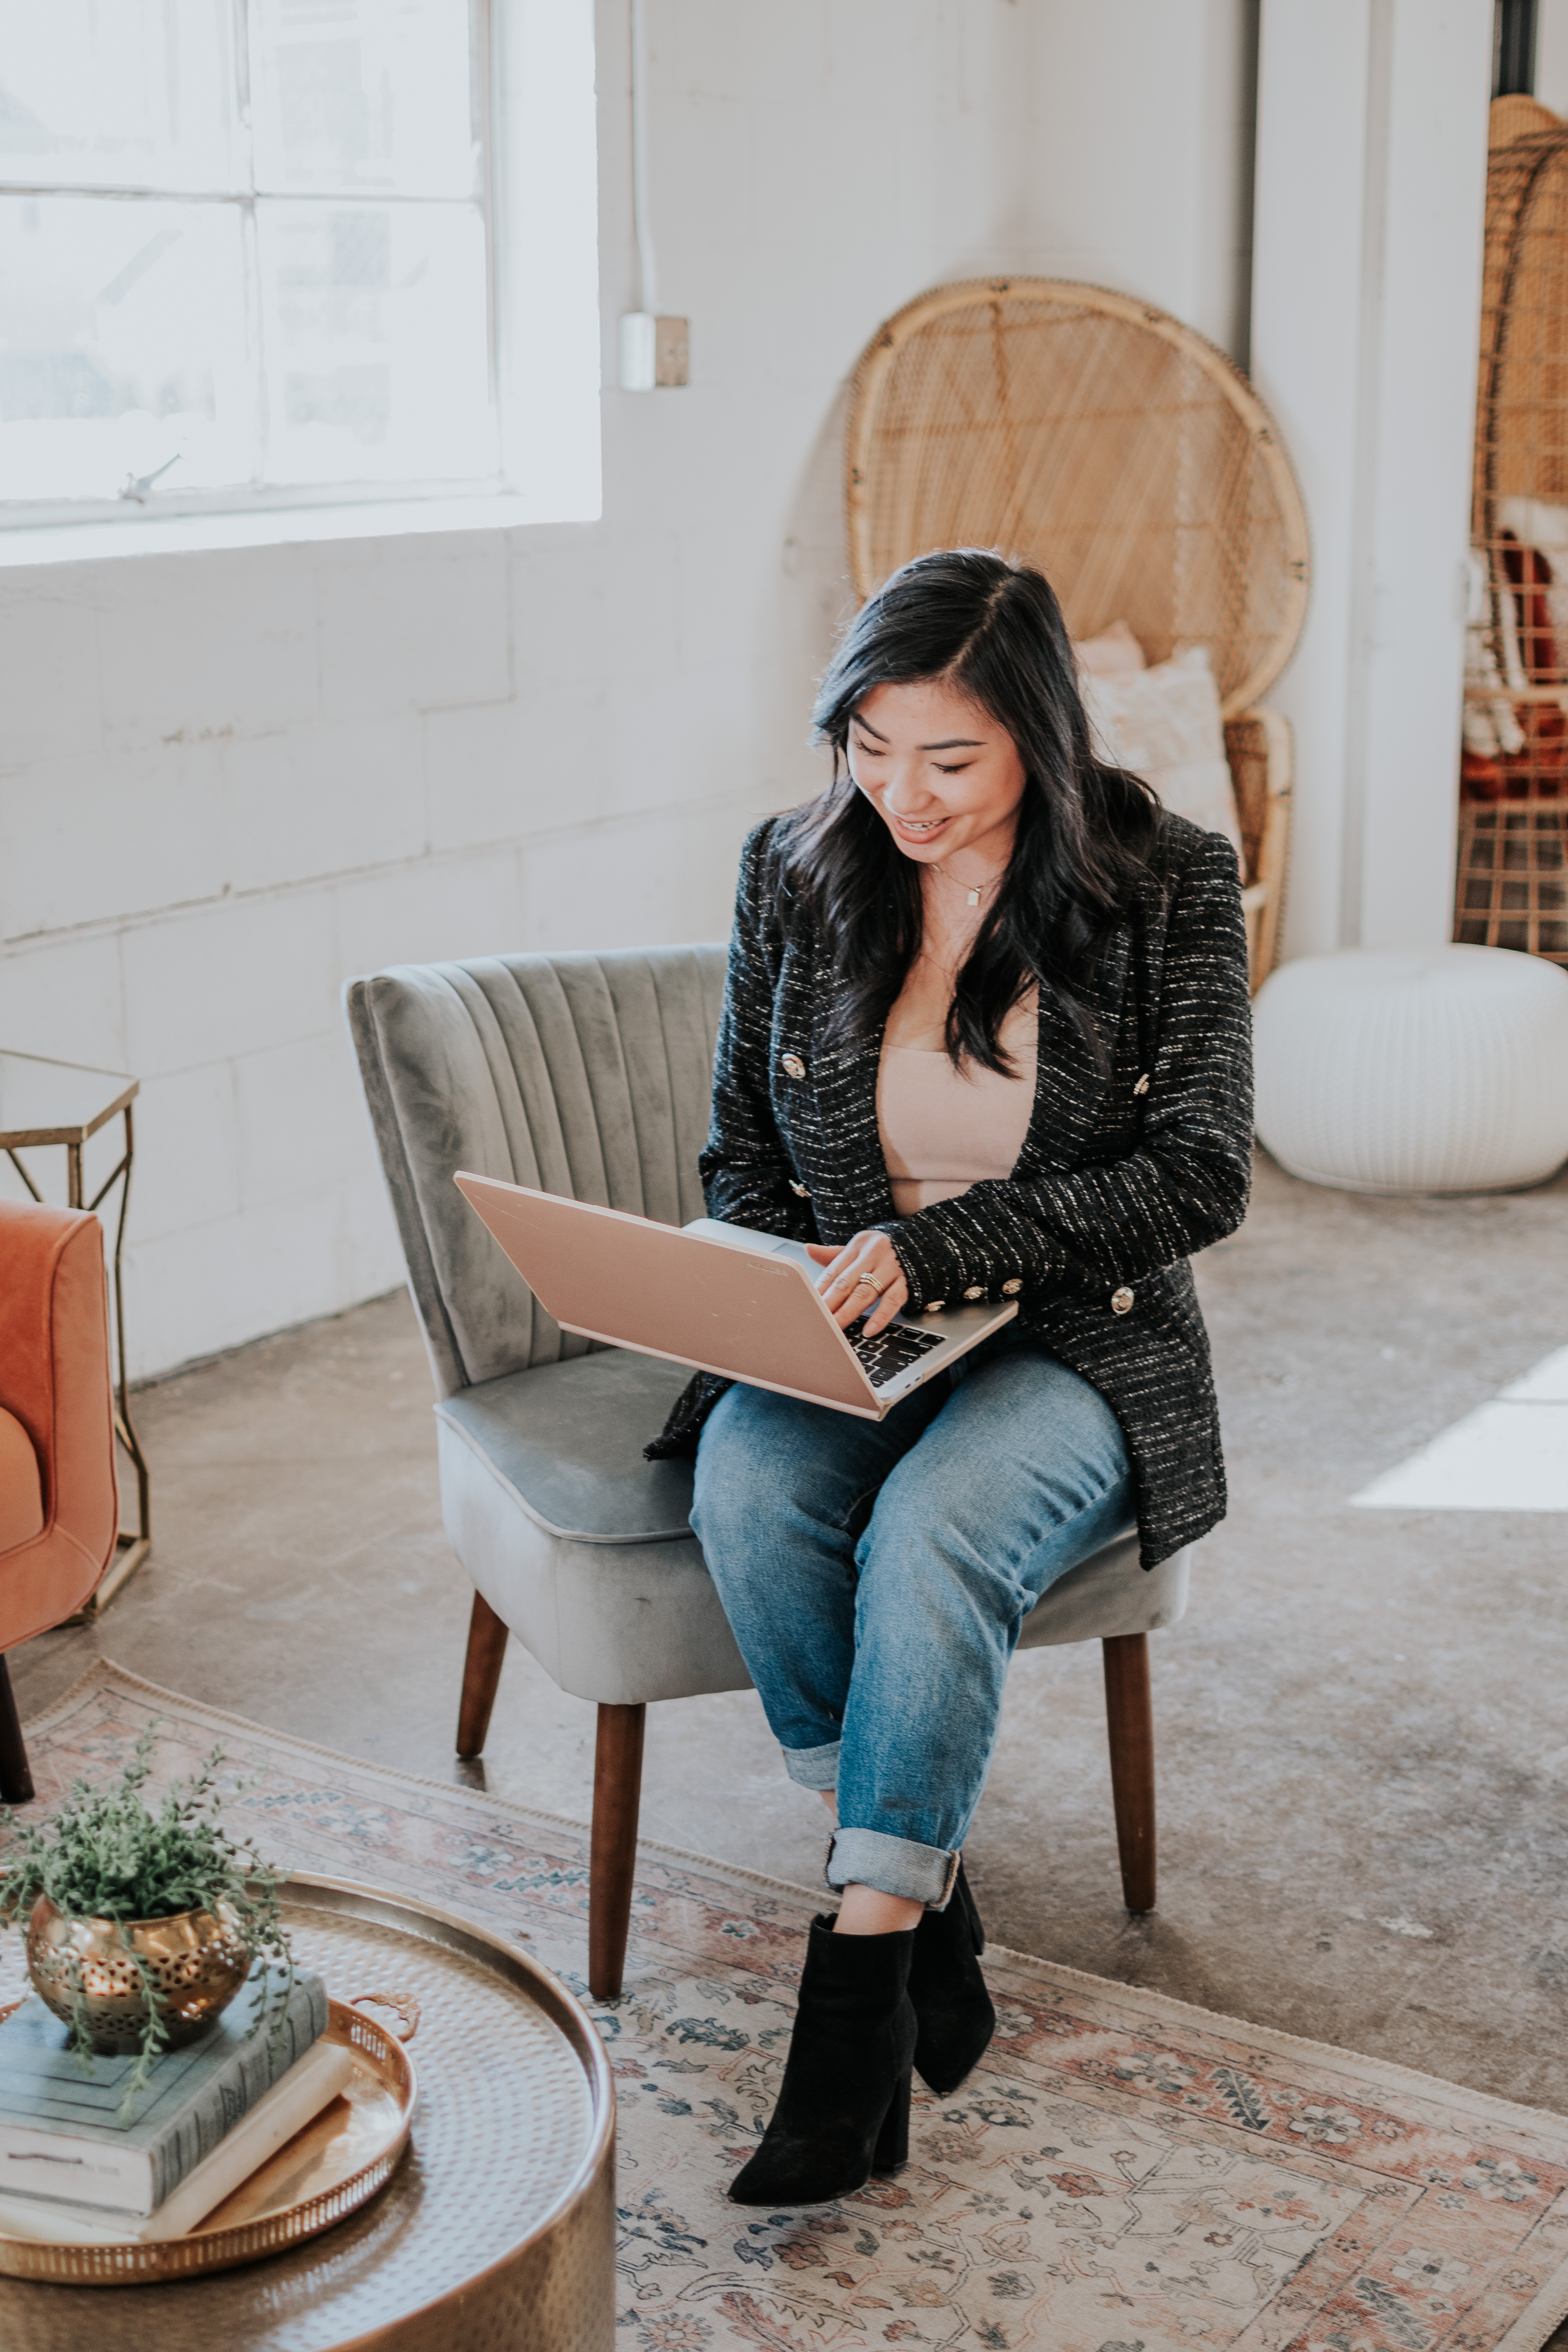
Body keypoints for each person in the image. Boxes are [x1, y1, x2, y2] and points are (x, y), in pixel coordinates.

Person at [646, 547, 1253, 2207]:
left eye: (950, 760)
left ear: (1039, 743)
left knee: (933, 1536)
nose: (898, 794)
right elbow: (745, 1159)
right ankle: (917, 1887)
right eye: (869, 744)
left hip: (1078, 1329)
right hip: (860, 1325)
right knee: (752, 1497)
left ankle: (848, 2035)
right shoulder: (795, 866)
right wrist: (787, 1284)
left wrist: (951, 1248)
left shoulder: (1166, 877)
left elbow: (1203, 1173)